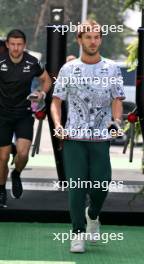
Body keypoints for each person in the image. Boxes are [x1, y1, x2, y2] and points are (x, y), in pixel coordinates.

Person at [51, 20, 125, 253]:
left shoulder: (112, 68)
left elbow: (117, 99)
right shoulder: (68, 70)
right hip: (73, 137)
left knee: (102, 185)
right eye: (88, 37)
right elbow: (55, 102)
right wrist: (58, 125)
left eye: (97, 37)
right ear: (79, 40)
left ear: (101, 39)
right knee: (76, 187)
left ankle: (92, 215)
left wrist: (117, 120)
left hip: (101, 138)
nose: (93, 41)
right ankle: (77, 233)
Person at [0, 29, 52, 207]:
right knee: (3, 157)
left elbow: (47, 80)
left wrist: (41, 93)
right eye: (12, 44)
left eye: (19, 44)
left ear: (25, 45)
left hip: (23, 113)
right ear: (7, 45)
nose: (16, 48)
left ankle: (16, 174)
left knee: (22, 154)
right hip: (2, 115)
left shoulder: (32, 62)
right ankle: (1, 190)